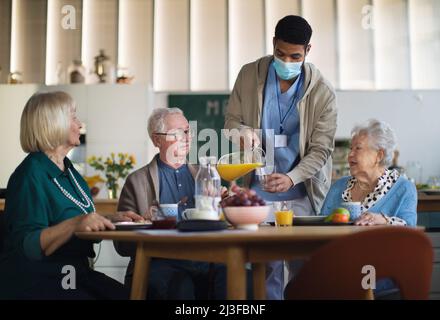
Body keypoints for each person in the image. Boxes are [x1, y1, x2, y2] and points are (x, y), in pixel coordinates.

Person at [224, 15, 337, 299]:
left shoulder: (323, 93)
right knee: (266, 270)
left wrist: (291, 177)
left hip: (302, 193)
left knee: (305, 269)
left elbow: (321, 150)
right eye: (281, 54)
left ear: (308, 51)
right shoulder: (250, 75)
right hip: (259, 196)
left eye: (295, 56)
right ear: (273, 44)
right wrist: (243, 132)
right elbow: (230, 123)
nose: (287, 61)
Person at [0, 91, 140, 299]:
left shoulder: (69, 170)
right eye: (73, 117)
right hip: (41, 280)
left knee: (133, 296)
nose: (80, 124)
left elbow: (77, 215)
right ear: (53, 123)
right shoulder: (30, 174)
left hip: (74, 273)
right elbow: (27, 246)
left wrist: (108, 219)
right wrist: (75, 224)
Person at [115, 108, 239, 300]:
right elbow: (122, 245)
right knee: (180, 287)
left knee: (241, 280)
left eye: (188, 131)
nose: (187, 138)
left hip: (207, 258)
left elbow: (224, 226)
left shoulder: (205, 174)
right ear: (157, 140)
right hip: (160, 261)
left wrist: (229, 205)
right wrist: (145, 223)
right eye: (177, 133)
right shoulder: (137, 181)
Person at [321, 119, 417, 298]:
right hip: (339, 264)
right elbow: (321, 227)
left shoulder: (404, 188)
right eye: (351, 148)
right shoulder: (338, 187)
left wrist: (385, 220)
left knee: (353, 282)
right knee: (299, 285)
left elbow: (411, 233)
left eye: (357, 148)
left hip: (381, 268)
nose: (350, 154)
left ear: (379, 155)